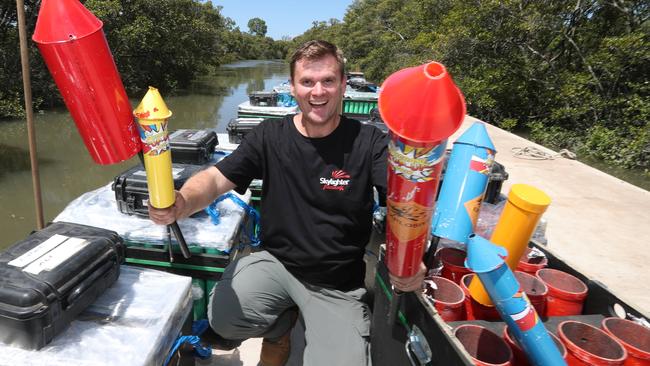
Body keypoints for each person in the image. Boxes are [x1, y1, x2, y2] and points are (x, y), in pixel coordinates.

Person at [149, 40, 425, 366]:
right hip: (276, 263)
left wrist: (410, 257)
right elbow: (214, 179)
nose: (317, 91)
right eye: (307, 81)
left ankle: (304, 321)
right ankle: (281, 323)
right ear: (293, 87)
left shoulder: (370, 143)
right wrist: (182, 201)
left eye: (327, 81)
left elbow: (403, 201)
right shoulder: (270, 136)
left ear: (343, 85)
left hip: (336, 284)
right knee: (224, 318)